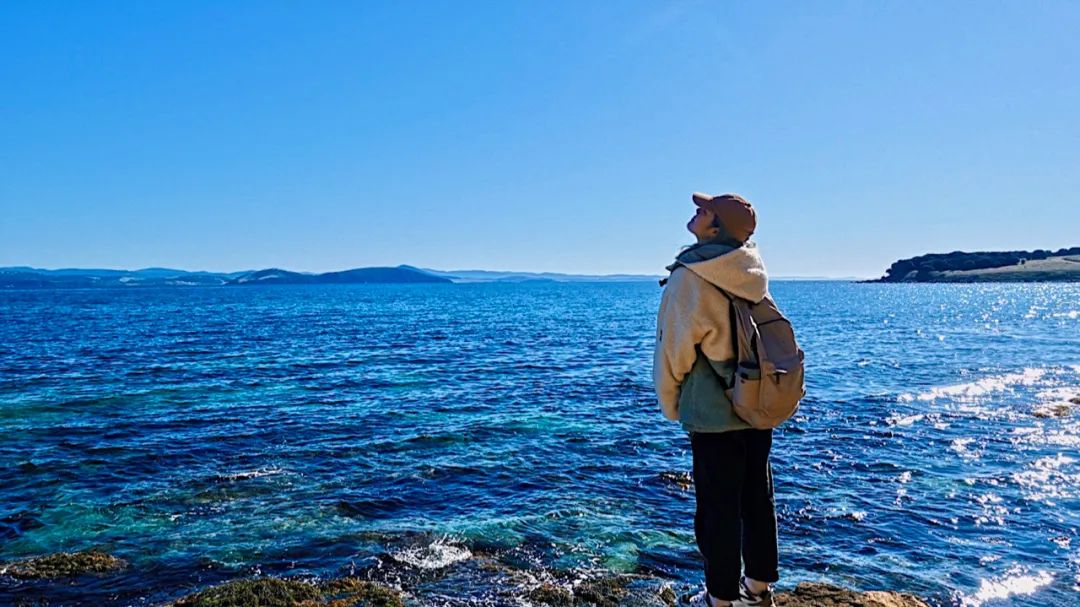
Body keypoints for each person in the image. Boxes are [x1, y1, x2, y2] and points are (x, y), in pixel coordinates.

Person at [653, 192, 779, 607]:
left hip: (714, 410)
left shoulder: (691, 275)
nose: (695, 212)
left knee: (717, 509)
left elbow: (675, 349)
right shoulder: (751, 270)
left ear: (716, 227)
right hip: (758, 400)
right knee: (756, 499)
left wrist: (670, 403)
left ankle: (719, 599)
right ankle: (758, 590)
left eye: (703, 210)